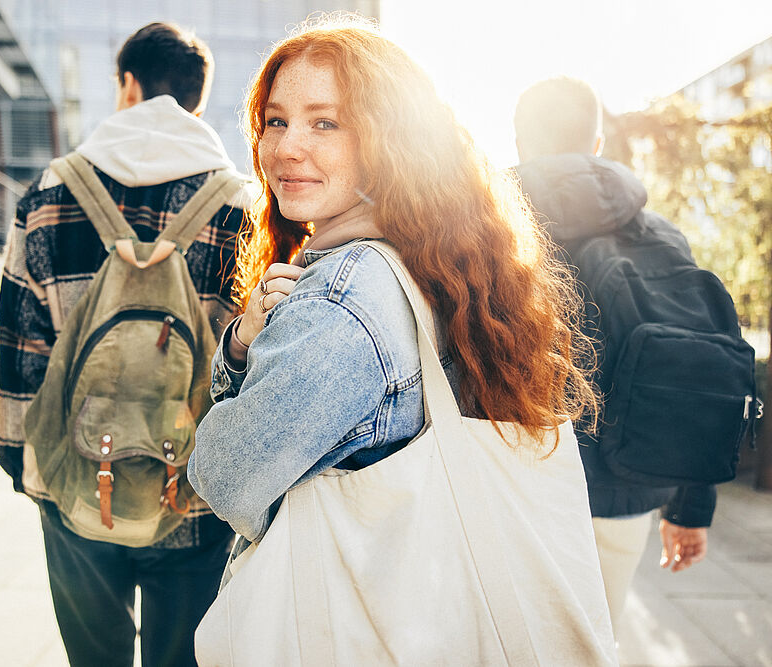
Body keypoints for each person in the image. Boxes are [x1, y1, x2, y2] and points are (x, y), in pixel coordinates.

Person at [186, 20, 595, 570]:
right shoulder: (431, 259)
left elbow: (225, 475)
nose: (287, 148)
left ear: (390, 140)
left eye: (325, 123)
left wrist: (239, 363)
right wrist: (245, 340)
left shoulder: (341, 302)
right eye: (275, 121)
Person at [0, 22, 247, 667]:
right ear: (196, 98)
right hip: (190, 487)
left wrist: (21, 458)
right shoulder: (239, 203)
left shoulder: (52, 191)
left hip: (76, 478)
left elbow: (19, 342)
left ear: (128, 85)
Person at [513, 76, 715, 628]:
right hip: (627, 484)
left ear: (521, 144)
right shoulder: (663, 236)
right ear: (597, 146)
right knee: (597, 643)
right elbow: (696, 366)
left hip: (511, 486)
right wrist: (690, 507)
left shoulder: (485, 230)